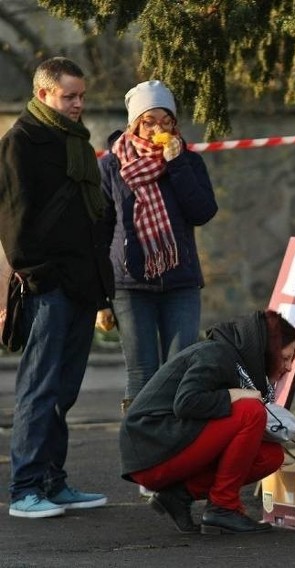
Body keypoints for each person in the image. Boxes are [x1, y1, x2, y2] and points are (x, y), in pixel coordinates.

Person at [0, 57, 114, 518]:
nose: (78, 104)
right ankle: (25, 489)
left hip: (83, 285)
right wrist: (39, 275)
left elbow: (93, 216)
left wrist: (99, 286)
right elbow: (15, 222)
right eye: (70, 96)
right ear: (44, 94)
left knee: (64, 391)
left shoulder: (77, 143)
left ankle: (53, 481)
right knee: (38, 388)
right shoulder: (19, 143)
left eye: (81, 96)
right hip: (47, 286)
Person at [97, 80, 218, 415]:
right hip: (129, 284)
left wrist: (177, 165)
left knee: (181, 371)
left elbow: (203, 212)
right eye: (148, 121)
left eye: (165, 121)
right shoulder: (111, 165)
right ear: (135, 123)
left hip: (181, 281)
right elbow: (101, 229)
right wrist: (100, 299)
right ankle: (140, 453)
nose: (157, 129)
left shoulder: (188, 162)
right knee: (142, 373)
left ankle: (176, 452)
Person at [119, 309, 295, 534]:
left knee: (271, 456)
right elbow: (186, 403)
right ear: (268, 349)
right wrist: (234, 395)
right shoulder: (217, 354)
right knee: (251, 411)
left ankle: (178, 496)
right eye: (285, 358)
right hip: (150, 447)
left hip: (167, 443)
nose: (289, 367)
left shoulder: (239, 362)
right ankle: (223, 508)